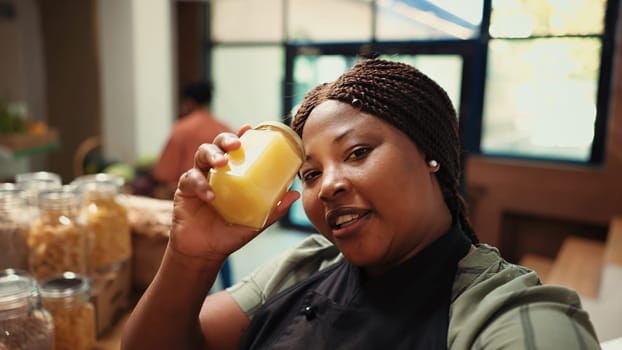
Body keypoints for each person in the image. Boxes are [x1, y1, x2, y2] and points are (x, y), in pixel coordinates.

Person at [122, 58, 601, 349]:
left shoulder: (506, 313)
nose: (327, 186)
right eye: (310, 174)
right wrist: (191, 257)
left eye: (358, 153)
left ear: (431, 155)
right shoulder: (306, 265)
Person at [151, 80, 232, 198]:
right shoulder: (226, 130)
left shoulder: (182, 129)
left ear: (188, 102)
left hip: (188, 197)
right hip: (219, 197)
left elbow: (164, 175)